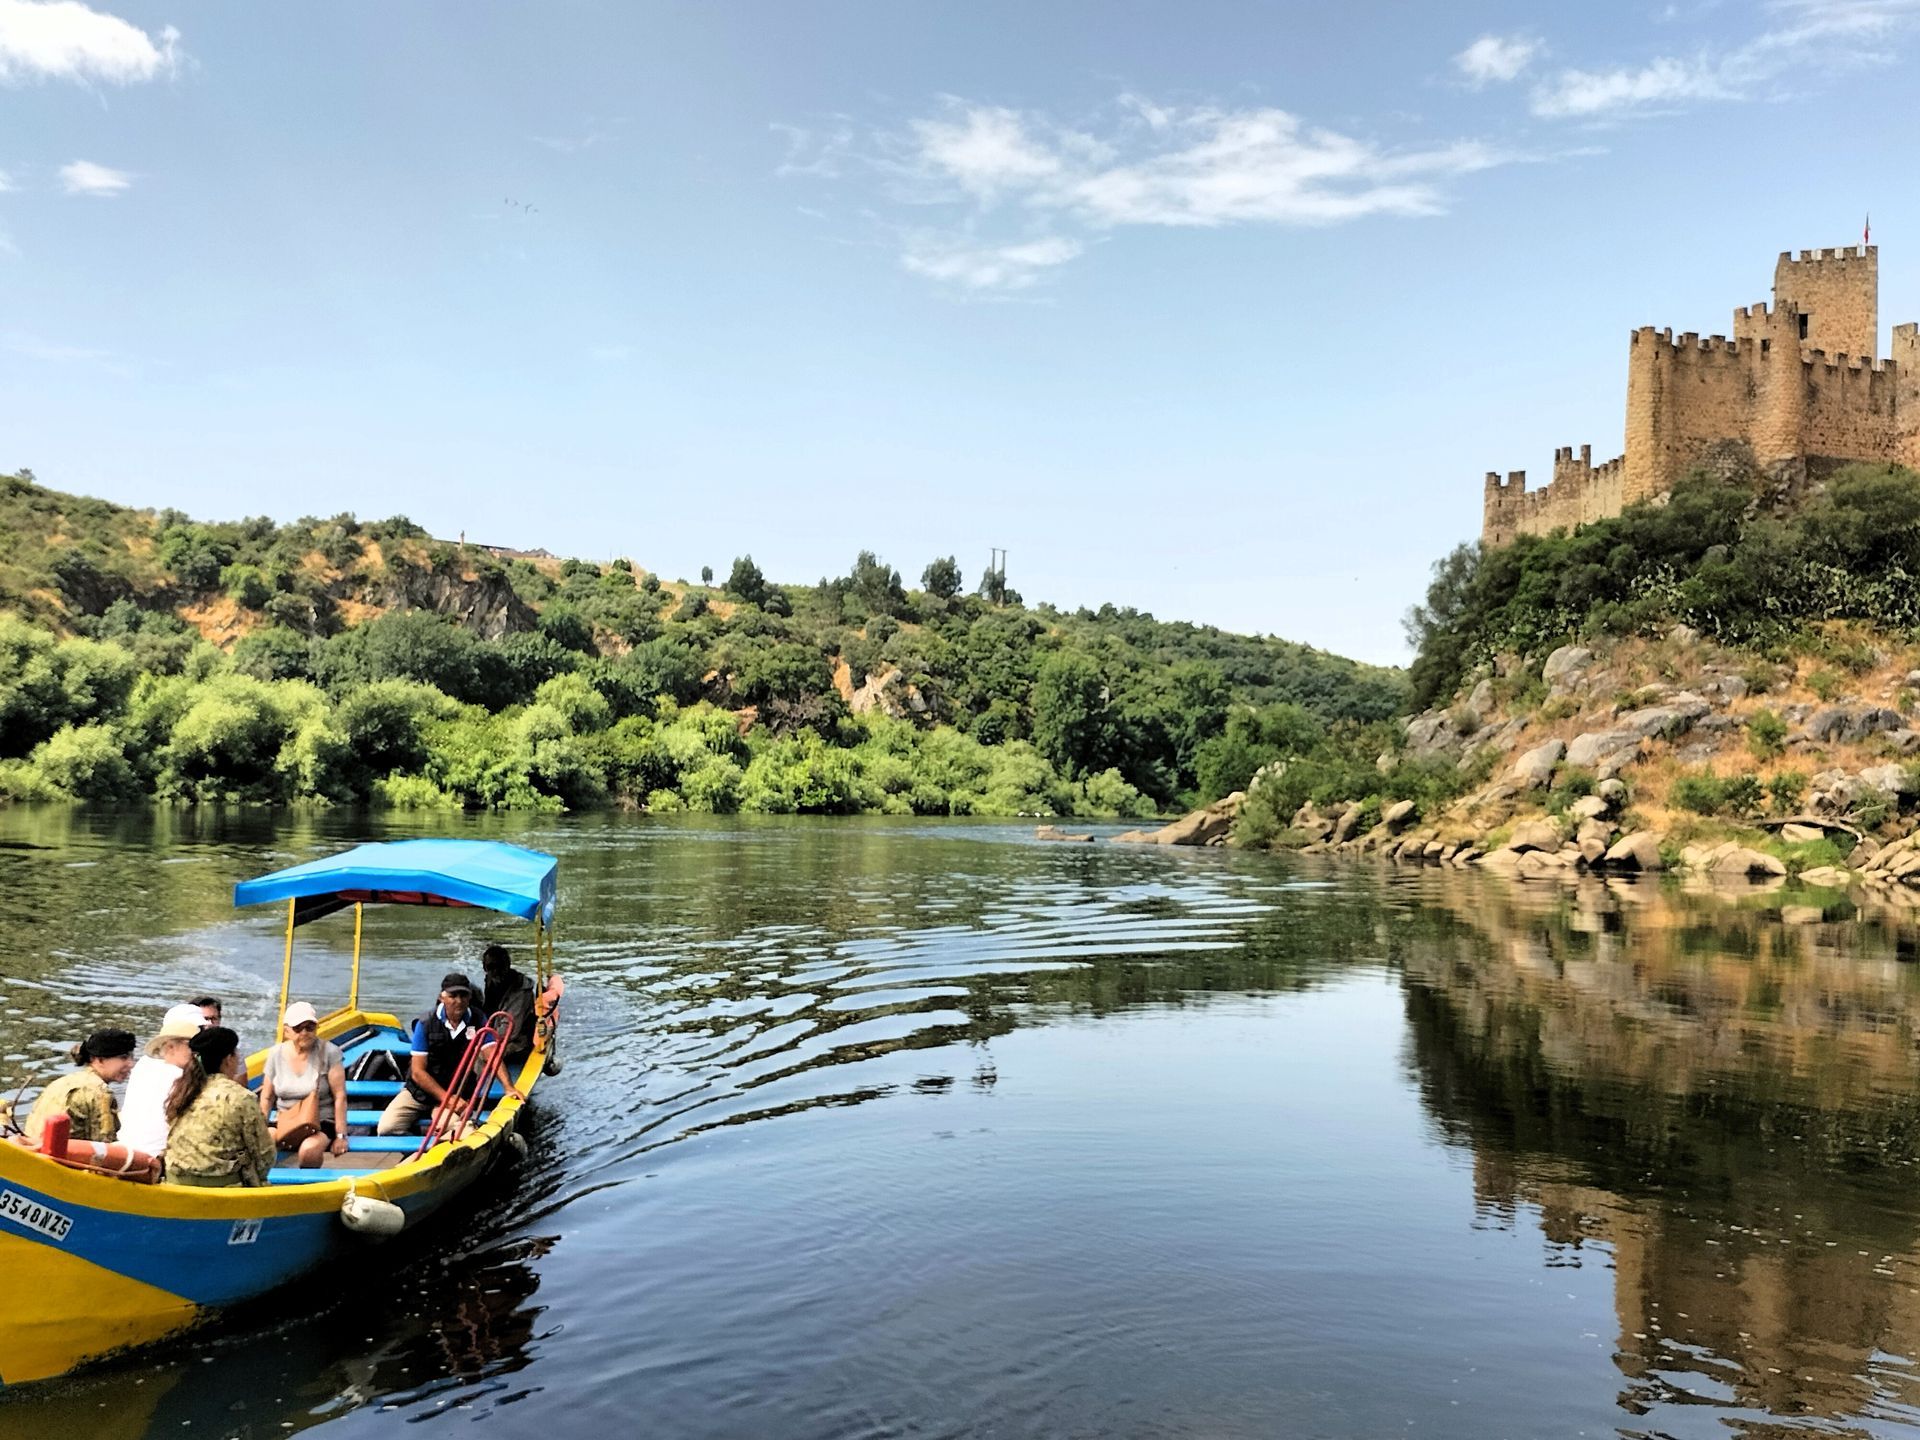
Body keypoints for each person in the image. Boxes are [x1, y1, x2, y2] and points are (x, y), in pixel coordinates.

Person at [377, 972, 498, 1136]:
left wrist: (509, 1087)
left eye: (463, 995)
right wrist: (447, 1099)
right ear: (442, 997)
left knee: (456, 1130)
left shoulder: (478, 1019)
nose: (459, 1001)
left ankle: (436, 1146)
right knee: (386, 1128)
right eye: (453, 996)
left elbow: (491, 1053)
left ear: (469, 997)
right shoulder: (425, 1023)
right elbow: (418, 1072)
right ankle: (414, 1147)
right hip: (420, 1092)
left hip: (457, 1090)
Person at [164, 1026, 275, 1187]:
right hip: (219, 1187)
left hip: (175, 1182)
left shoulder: (182, 1091)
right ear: (229, 1059)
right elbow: (265, 1157)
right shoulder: (242, 1097)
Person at [259, 1001, 348, 1168]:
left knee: (309, 1150)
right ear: (287, 1031)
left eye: (310, 1028)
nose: (305, 1033)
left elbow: (340, 1096)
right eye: (299, 1028)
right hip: (286, 1118)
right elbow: (267, 1097)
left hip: (320, 1121)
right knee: (262, 1144)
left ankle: (308, 1185)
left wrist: (341, 1135)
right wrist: (261, 1126)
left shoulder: (329, 1052)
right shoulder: (275, 1054)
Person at [118, 1004, 209, 1158]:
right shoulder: (184, 1077)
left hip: (128, 1148)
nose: (199, 1051)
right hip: (158, 1159)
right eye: (193, 1046)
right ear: (170, 1046)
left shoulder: (143, 1065)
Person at [23, 1028, 136, 1148]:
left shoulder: (63, 1081)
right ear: (99, 1060)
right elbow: (104, 1147)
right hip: (62, 1160)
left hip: (33, 1149)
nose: (131, 1064)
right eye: (124, 1058)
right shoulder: (100, 1092)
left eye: (131, 1057)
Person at [481, 944, 537, 1066]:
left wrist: (482, 1039)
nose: (495, 971)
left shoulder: (521, 991)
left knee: (481, 1055)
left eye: (499, 967)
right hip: (495, 1032)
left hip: (517, 1043)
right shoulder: (491, 981)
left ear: (508, 965)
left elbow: (510, 1031)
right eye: (491, 967)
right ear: (485, 968)